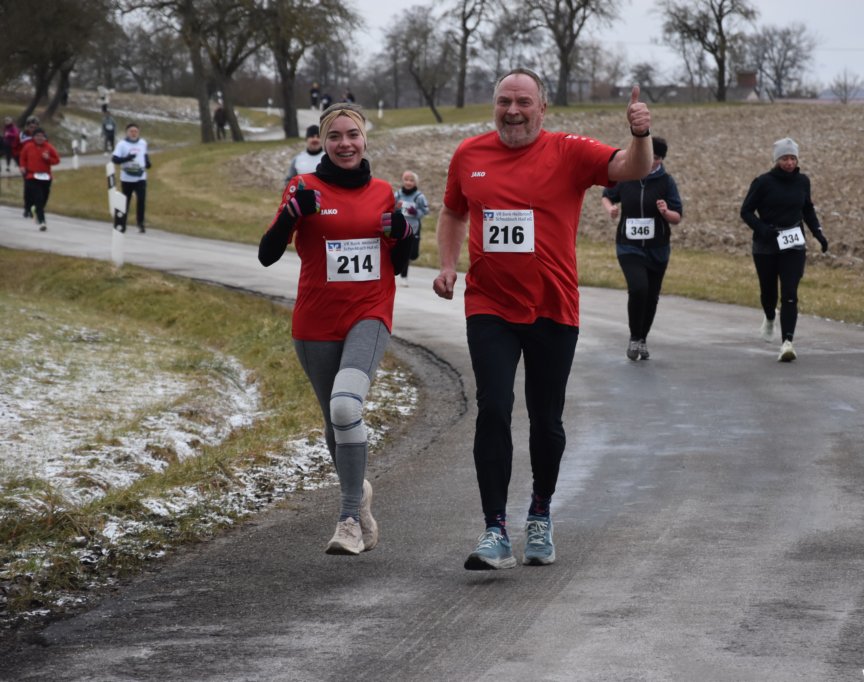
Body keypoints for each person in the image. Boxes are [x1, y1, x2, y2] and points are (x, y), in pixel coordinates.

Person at [433, 68, 653, 570]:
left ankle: (539, 513)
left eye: (523, 102)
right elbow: (452, 212)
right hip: (489, 305)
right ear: (494, 106)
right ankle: (494, 529)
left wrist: (639, 133)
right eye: (504, 101)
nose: (513, 111)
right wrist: (447, 265)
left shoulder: (568, 151)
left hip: (553, 307)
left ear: (542, 108)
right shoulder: (469, 154)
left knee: (546, 418)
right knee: (493, 407)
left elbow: (630, 168)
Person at [258, 103, 415, 556]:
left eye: (353, 135)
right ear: (323, 142)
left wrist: (405, 234)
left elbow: (399, 261)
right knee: (335, 422)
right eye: (335, 136)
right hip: (315, 321)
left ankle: (347, 521)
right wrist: (291, 214)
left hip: (370, 313)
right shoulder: (303, 187)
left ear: (365, 140)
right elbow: (267, 254)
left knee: (346, 407)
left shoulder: (384, 192)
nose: (345, 143)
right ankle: (357, 495)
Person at [740, 137, 828, 362]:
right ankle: (770, 316)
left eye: (792, 158)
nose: (789, 162)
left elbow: (807, 209)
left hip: (793, 243)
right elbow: (746, 211)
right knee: (769, 292)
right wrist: (763, 229)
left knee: (790, 293)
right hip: (766, 244)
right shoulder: (762, 182)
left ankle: (787, 343)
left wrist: (818, 233)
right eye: (784, 158)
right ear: (777, 160)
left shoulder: (803, 182)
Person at [600, 136, 683, 361]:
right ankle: (634, 337)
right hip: (629, 246)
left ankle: (643, 339)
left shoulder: (666, 182)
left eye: (657, 158)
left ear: (661, 159)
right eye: (650, 156)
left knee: (652, 296)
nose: (652, 161)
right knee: (638, 289)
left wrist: (665, 212)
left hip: (658, 248)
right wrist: (611, 209)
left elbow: (677, 217)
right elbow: (607, 196)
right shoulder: (627, 177)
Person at [111, 122, 152, 233]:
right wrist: (127, 158)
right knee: (125, 201)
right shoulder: (122, 144)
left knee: (141, 200)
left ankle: (140, 223)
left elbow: (144, 155)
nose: (134, 133)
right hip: (127, 178)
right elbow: (115, 159)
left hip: (140, 177)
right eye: (131, 131)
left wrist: (147, 162)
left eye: (136, 131)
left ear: (138, 133)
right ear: (127, 133)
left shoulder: (142, 143)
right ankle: (122, 224)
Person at [18, 127, 60, 231]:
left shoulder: (49, 147)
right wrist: (22, 167)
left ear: (45, 137)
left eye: (41, 136)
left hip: (46, 177)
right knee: (39, 199)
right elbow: (22, 158)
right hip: (32, 176)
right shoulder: (28, 146)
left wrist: (48, 159)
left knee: (44, 199)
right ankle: (42, 222)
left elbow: (57, 160)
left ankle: (35, 209)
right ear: (33, 137)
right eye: (37, 136)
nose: (39, 138)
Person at [393, 170, 429, 286]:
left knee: (413, 254)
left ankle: (406, 264)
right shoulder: (397, 195)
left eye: (411, 180)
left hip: (414, 227)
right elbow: (390, 207)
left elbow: (425, 210)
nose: (408, 182)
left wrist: (416, 212)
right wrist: (396, 208)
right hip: (402, 228)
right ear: (403, 181)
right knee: (405, 253)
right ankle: (403, 276)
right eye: (406, 180)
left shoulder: (419, 196)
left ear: (415, 182)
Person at [18, 116, 40, 218]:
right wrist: (21, 164)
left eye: (35, 127)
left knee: (37, 188)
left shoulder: (41, 137)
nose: (33, 129)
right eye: (31, 127)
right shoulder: (22, 136)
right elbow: (17, 150)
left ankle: (34, 208)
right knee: (28, 188)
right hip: (26, 166)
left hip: (38, 166)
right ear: (27, 126)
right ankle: (27, 208)